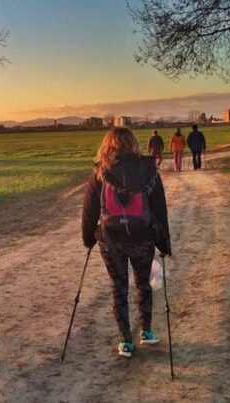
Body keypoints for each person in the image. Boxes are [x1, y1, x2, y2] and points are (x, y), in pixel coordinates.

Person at [81, 127, 171, 358]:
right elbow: (160, 210)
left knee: (118, 286)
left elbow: (89, 211)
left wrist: (88, 239)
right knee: (143, 284)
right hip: (143, 238)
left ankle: (125, 342)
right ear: (134, 144)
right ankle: (147, 332)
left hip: (111, 241)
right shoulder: (149, 172)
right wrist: (164, 244)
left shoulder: (100, 173)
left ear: (107, 146)